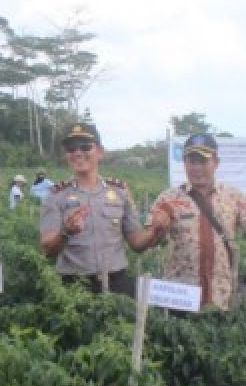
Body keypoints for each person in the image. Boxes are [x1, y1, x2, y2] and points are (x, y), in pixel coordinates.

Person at [148, 133, 246, 311]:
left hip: (221, 297)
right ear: (184, 164)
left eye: (203, 161)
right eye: (192, 161)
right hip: (179, 296)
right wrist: (157, 228)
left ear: (216, 163)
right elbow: (149, 243)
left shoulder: (233, 196)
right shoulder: (169, 198)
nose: (197, 167)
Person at [40, 122, 160, 297]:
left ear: (100, 152)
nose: (78, 153)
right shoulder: (56, 195)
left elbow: (137, 243)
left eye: (85, 147)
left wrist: (157, 229)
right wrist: (66, 232)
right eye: (71, 149)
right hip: (74, 286)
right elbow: (47, 250)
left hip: (116, 283)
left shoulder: (119, 192)